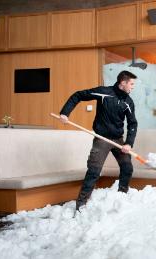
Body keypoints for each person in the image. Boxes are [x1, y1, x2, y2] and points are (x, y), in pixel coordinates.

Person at [59, 70, 138, 212]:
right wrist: (65, 113)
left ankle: (121, 197)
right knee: (94, 171)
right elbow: (78, 95)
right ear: (123, 82)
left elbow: (133, 124)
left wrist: (128, 143)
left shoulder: (128, 102)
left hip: (118, 140)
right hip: (102, 139)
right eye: (131, 84)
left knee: (127, 168)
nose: (133, 86)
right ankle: (81, 205)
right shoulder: (103, 92)